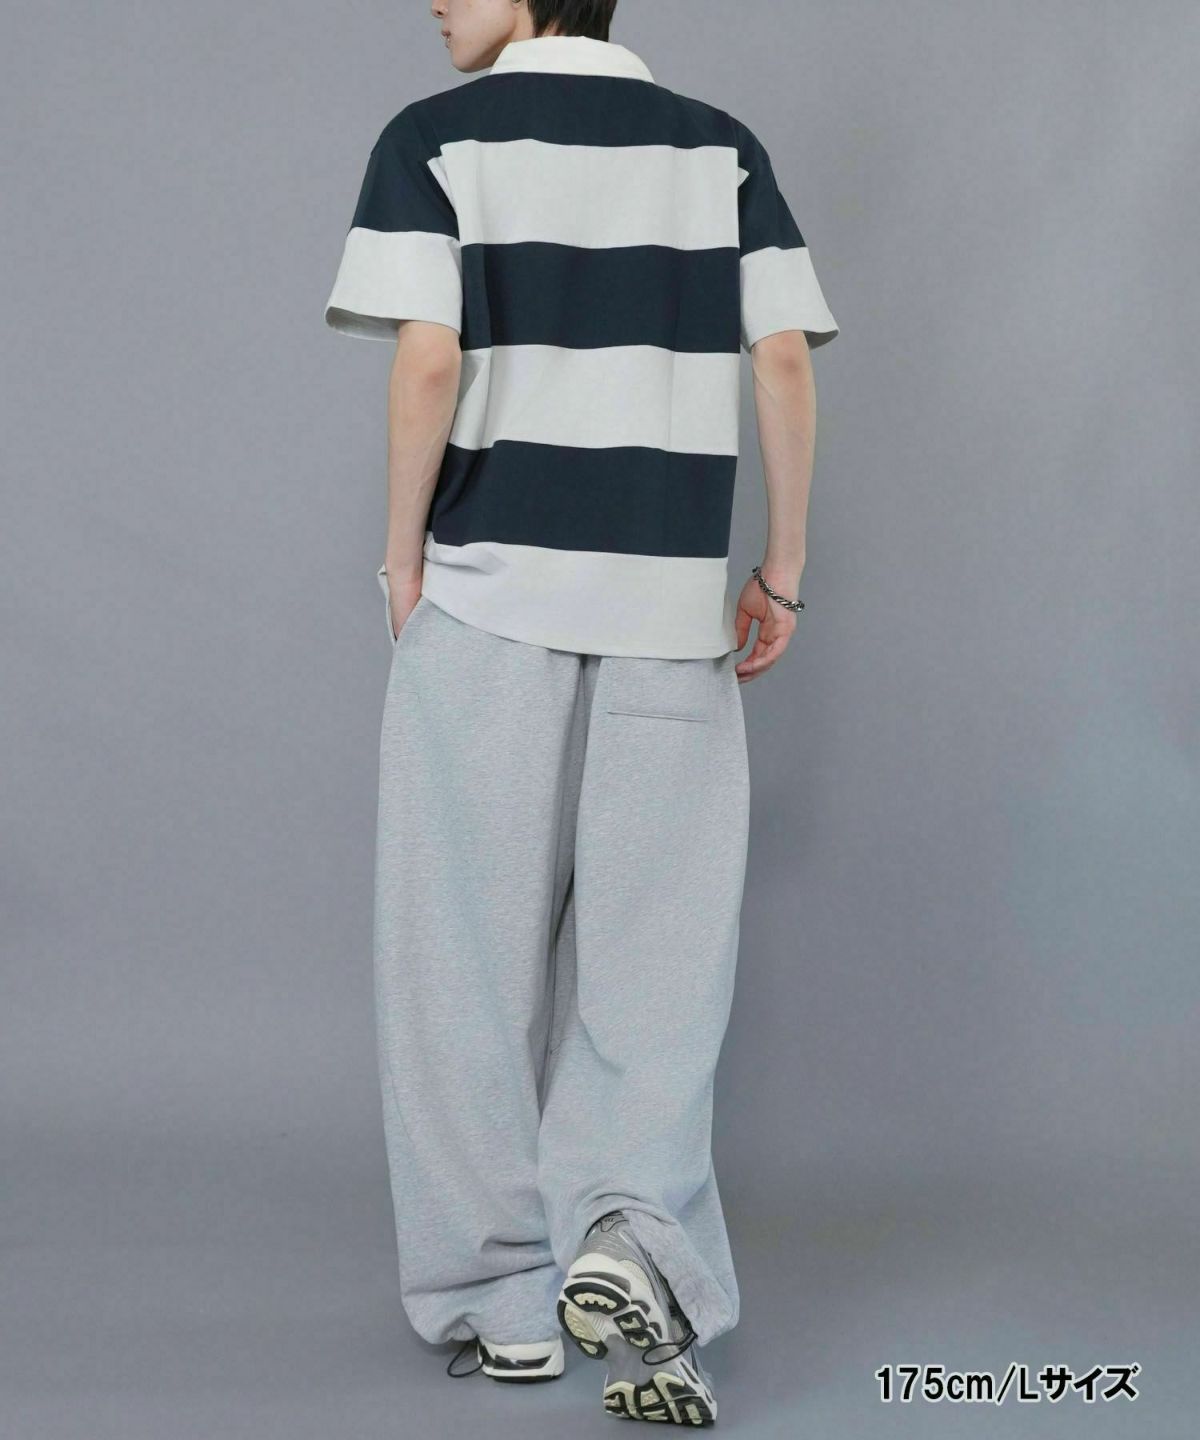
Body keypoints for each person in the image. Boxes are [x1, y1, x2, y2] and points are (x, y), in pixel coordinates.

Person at [324, 0, 837, 1425]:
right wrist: (781, 573)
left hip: (488, 604)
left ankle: (502, 1299)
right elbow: (782, 360)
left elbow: (430, 360)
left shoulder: (436, 142)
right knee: (655, 972)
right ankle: (629, 1240)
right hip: (670, 618)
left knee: (462, 965)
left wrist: (402, 560)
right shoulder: (720, 151)